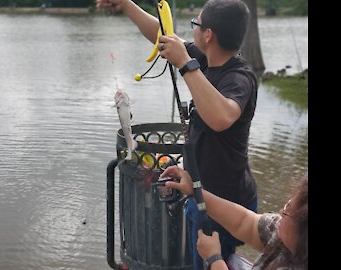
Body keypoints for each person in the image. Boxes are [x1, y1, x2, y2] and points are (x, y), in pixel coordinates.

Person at [96, 0, 259, 268]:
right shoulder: (205, 59)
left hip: (227, 202)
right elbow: (162, 37)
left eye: (196, 24)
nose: (192, 29)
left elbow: (222, 117)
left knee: (212, 260)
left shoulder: (239, 77)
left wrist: (184, 63)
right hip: (200, 191)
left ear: (208, 35)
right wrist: (125, 4)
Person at [162, 166, 308, 269]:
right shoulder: (282, 236)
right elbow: (245, 222)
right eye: (288, 204)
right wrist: (196, 191)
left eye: (289, 212)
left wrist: (214, 259)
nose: (281, 211)